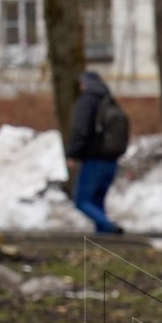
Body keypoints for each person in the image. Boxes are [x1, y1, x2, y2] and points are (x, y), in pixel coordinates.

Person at [65, 70, 129, 235]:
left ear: (83, 83)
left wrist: (73, 154)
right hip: (111, 159)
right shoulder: (109, 100)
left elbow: (81, 129)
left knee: (82, 200)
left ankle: (108, 227)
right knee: (97, 201)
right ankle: (104, 238)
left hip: (94, 159)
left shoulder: (87, 100)